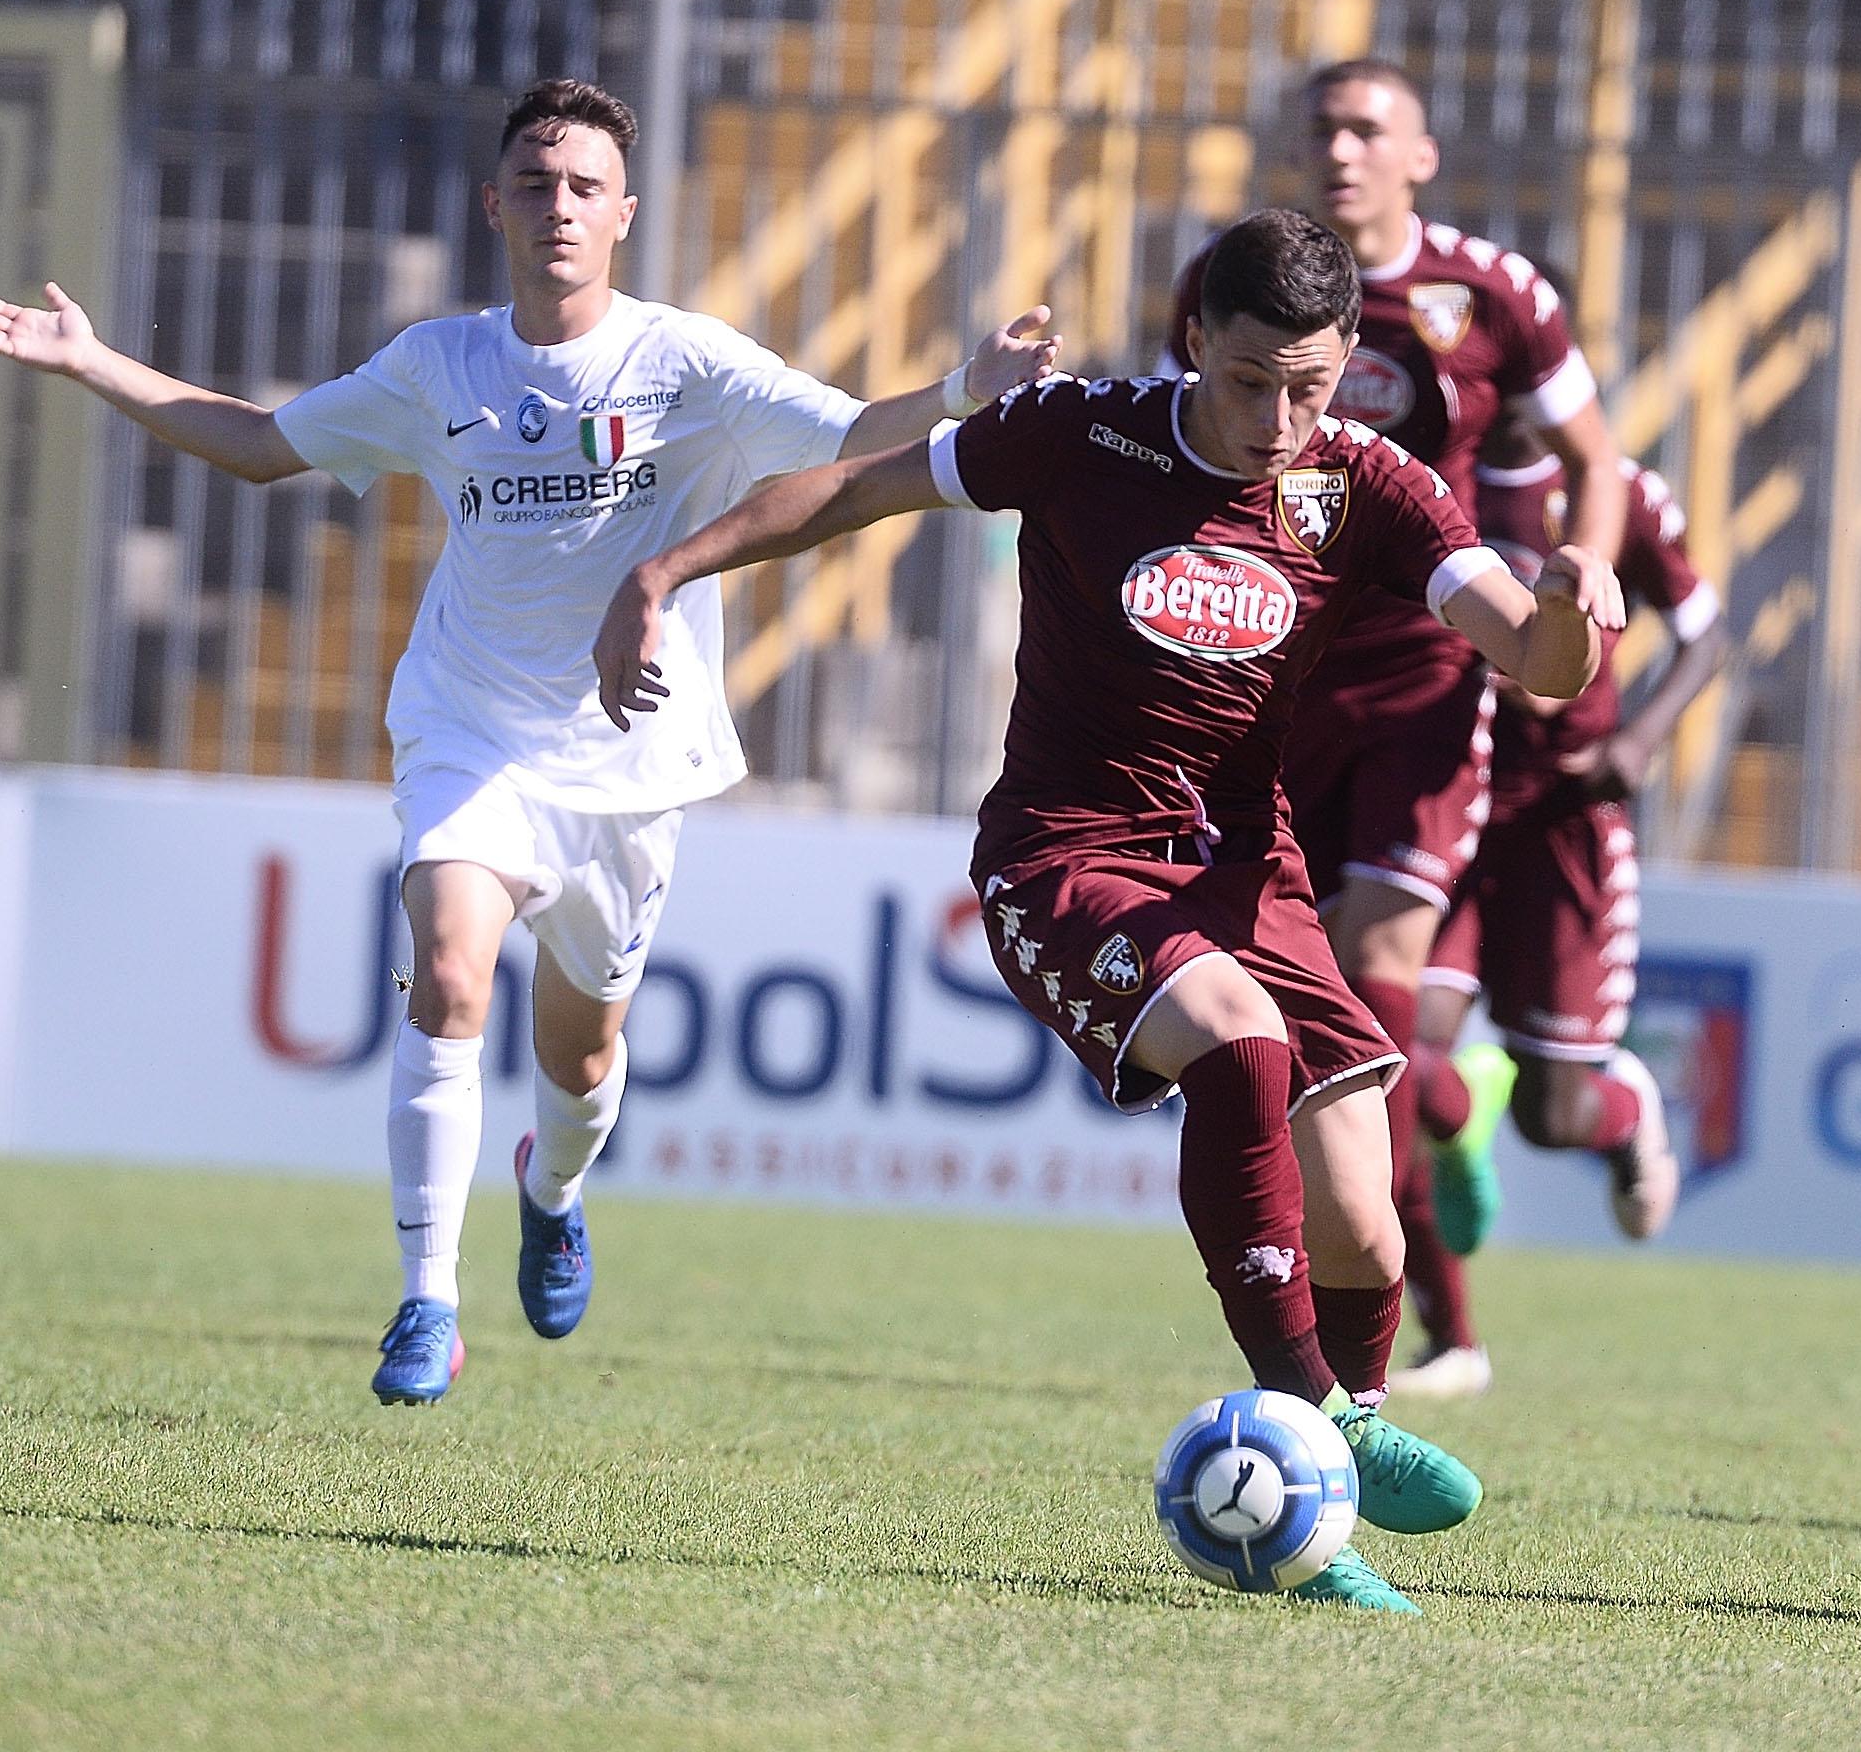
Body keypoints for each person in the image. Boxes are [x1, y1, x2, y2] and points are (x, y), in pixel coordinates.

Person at [0, 78, 1057, 1406]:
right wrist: (90, 362)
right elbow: (259, 447)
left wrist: (963, 390)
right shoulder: (439, 367)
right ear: (494, 206)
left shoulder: (685, 364)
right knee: (450, 973)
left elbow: (842, 439)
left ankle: (556, 1188)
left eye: (585, 187)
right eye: (535, 184)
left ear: (625, 213)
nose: (559, 207)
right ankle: (427, 1300)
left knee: (581, 1057)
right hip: (470, 729)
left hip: (629, 763)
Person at [594, 206, 1624, 1615]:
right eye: (1254, 379)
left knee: (1366, 1238)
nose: (1280, 417)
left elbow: (1527, 648)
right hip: (1065, 858)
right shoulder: (1082, 437)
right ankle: (1320, 1430)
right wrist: (659, 575)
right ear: (1197, 340)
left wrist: (1571, 610)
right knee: (1236, 1038)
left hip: (1247, 878)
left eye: (1312, 387)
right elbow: (851, 494)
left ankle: (1335, 1474)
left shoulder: (1364, 483)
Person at [1165, 60, 1639, 1358]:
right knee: (1312, 1002)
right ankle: (1440, 1129)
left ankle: (1436, 1335)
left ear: (1421, 154)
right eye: (1322, 126)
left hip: (1435, 672)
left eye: (1369, 129)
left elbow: (1597, 460)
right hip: (1277, 675)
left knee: (1376, 981)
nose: (1343, 149)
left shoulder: (1493, 293)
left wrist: (1584, 573)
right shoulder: (1243, 284)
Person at [1393, 437, 1730, 1400]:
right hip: (1440, 802)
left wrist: (1641, 736)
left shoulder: (1610, 495)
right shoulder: (1421, 468)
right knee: (1395, 1062)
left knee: (1553, 1116)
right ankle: (1451, 1341)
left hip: (1561, 820)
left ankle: (1621, 1111)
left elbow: (1704, 631)